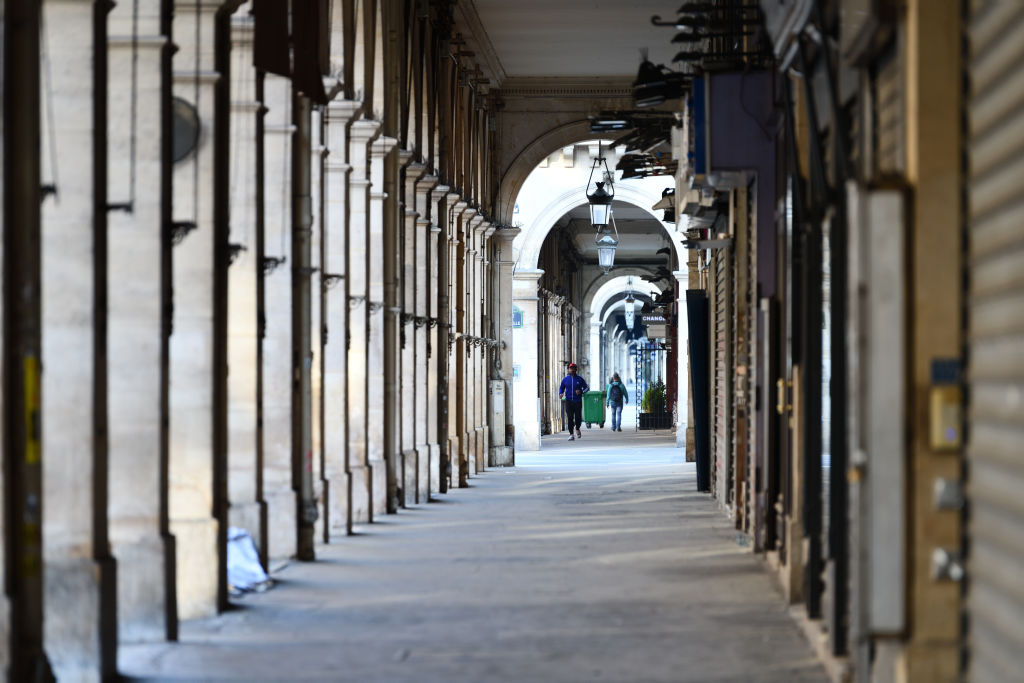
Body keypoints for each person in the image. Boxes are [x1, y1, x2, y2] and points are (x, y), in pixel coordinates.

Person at [558, 362, 589, 441]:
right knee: (570, 418)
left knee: (578, 417)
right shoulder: (565, 379)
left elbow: (586, 388)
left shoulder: (579, 379)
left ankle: (577, 427)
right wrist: (560, 393)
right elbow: (561, 388)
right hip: (568, 401)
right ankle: (571, 434)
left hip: (577, 401)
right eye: (570, 368)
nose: (572, 370)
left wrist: (581, 391)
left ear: (576, 369)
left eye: (573, 368)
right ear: (568, 369)